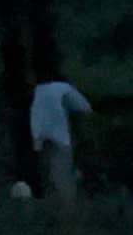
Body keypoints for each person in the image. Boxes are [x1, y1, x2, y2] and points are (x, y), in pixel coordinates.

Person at [28, 80, 93, 210]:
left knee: (47, 175)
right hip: (60, 139)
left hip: (40, 139)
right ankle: (67, 208)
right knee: (62, 175)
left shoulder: (37, 91)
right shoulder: (64, 88)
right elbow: (85, 107)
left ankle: (50, 204)